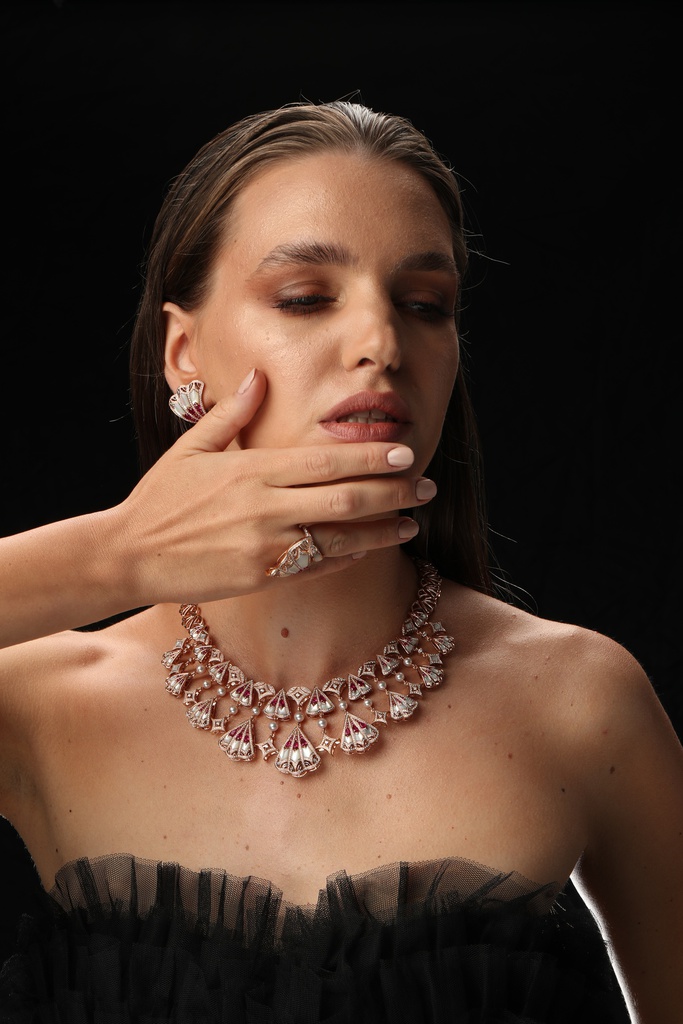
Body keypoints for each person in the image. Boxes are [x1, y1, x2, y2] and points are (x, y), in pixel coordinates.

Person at [0, 100, 681, 1024]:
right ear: (182, 352)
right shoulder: (40, 704)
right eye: (304, 298)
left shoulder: (578, 701)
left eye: (424, 306)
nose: (381, 345)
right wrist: (118, 554)